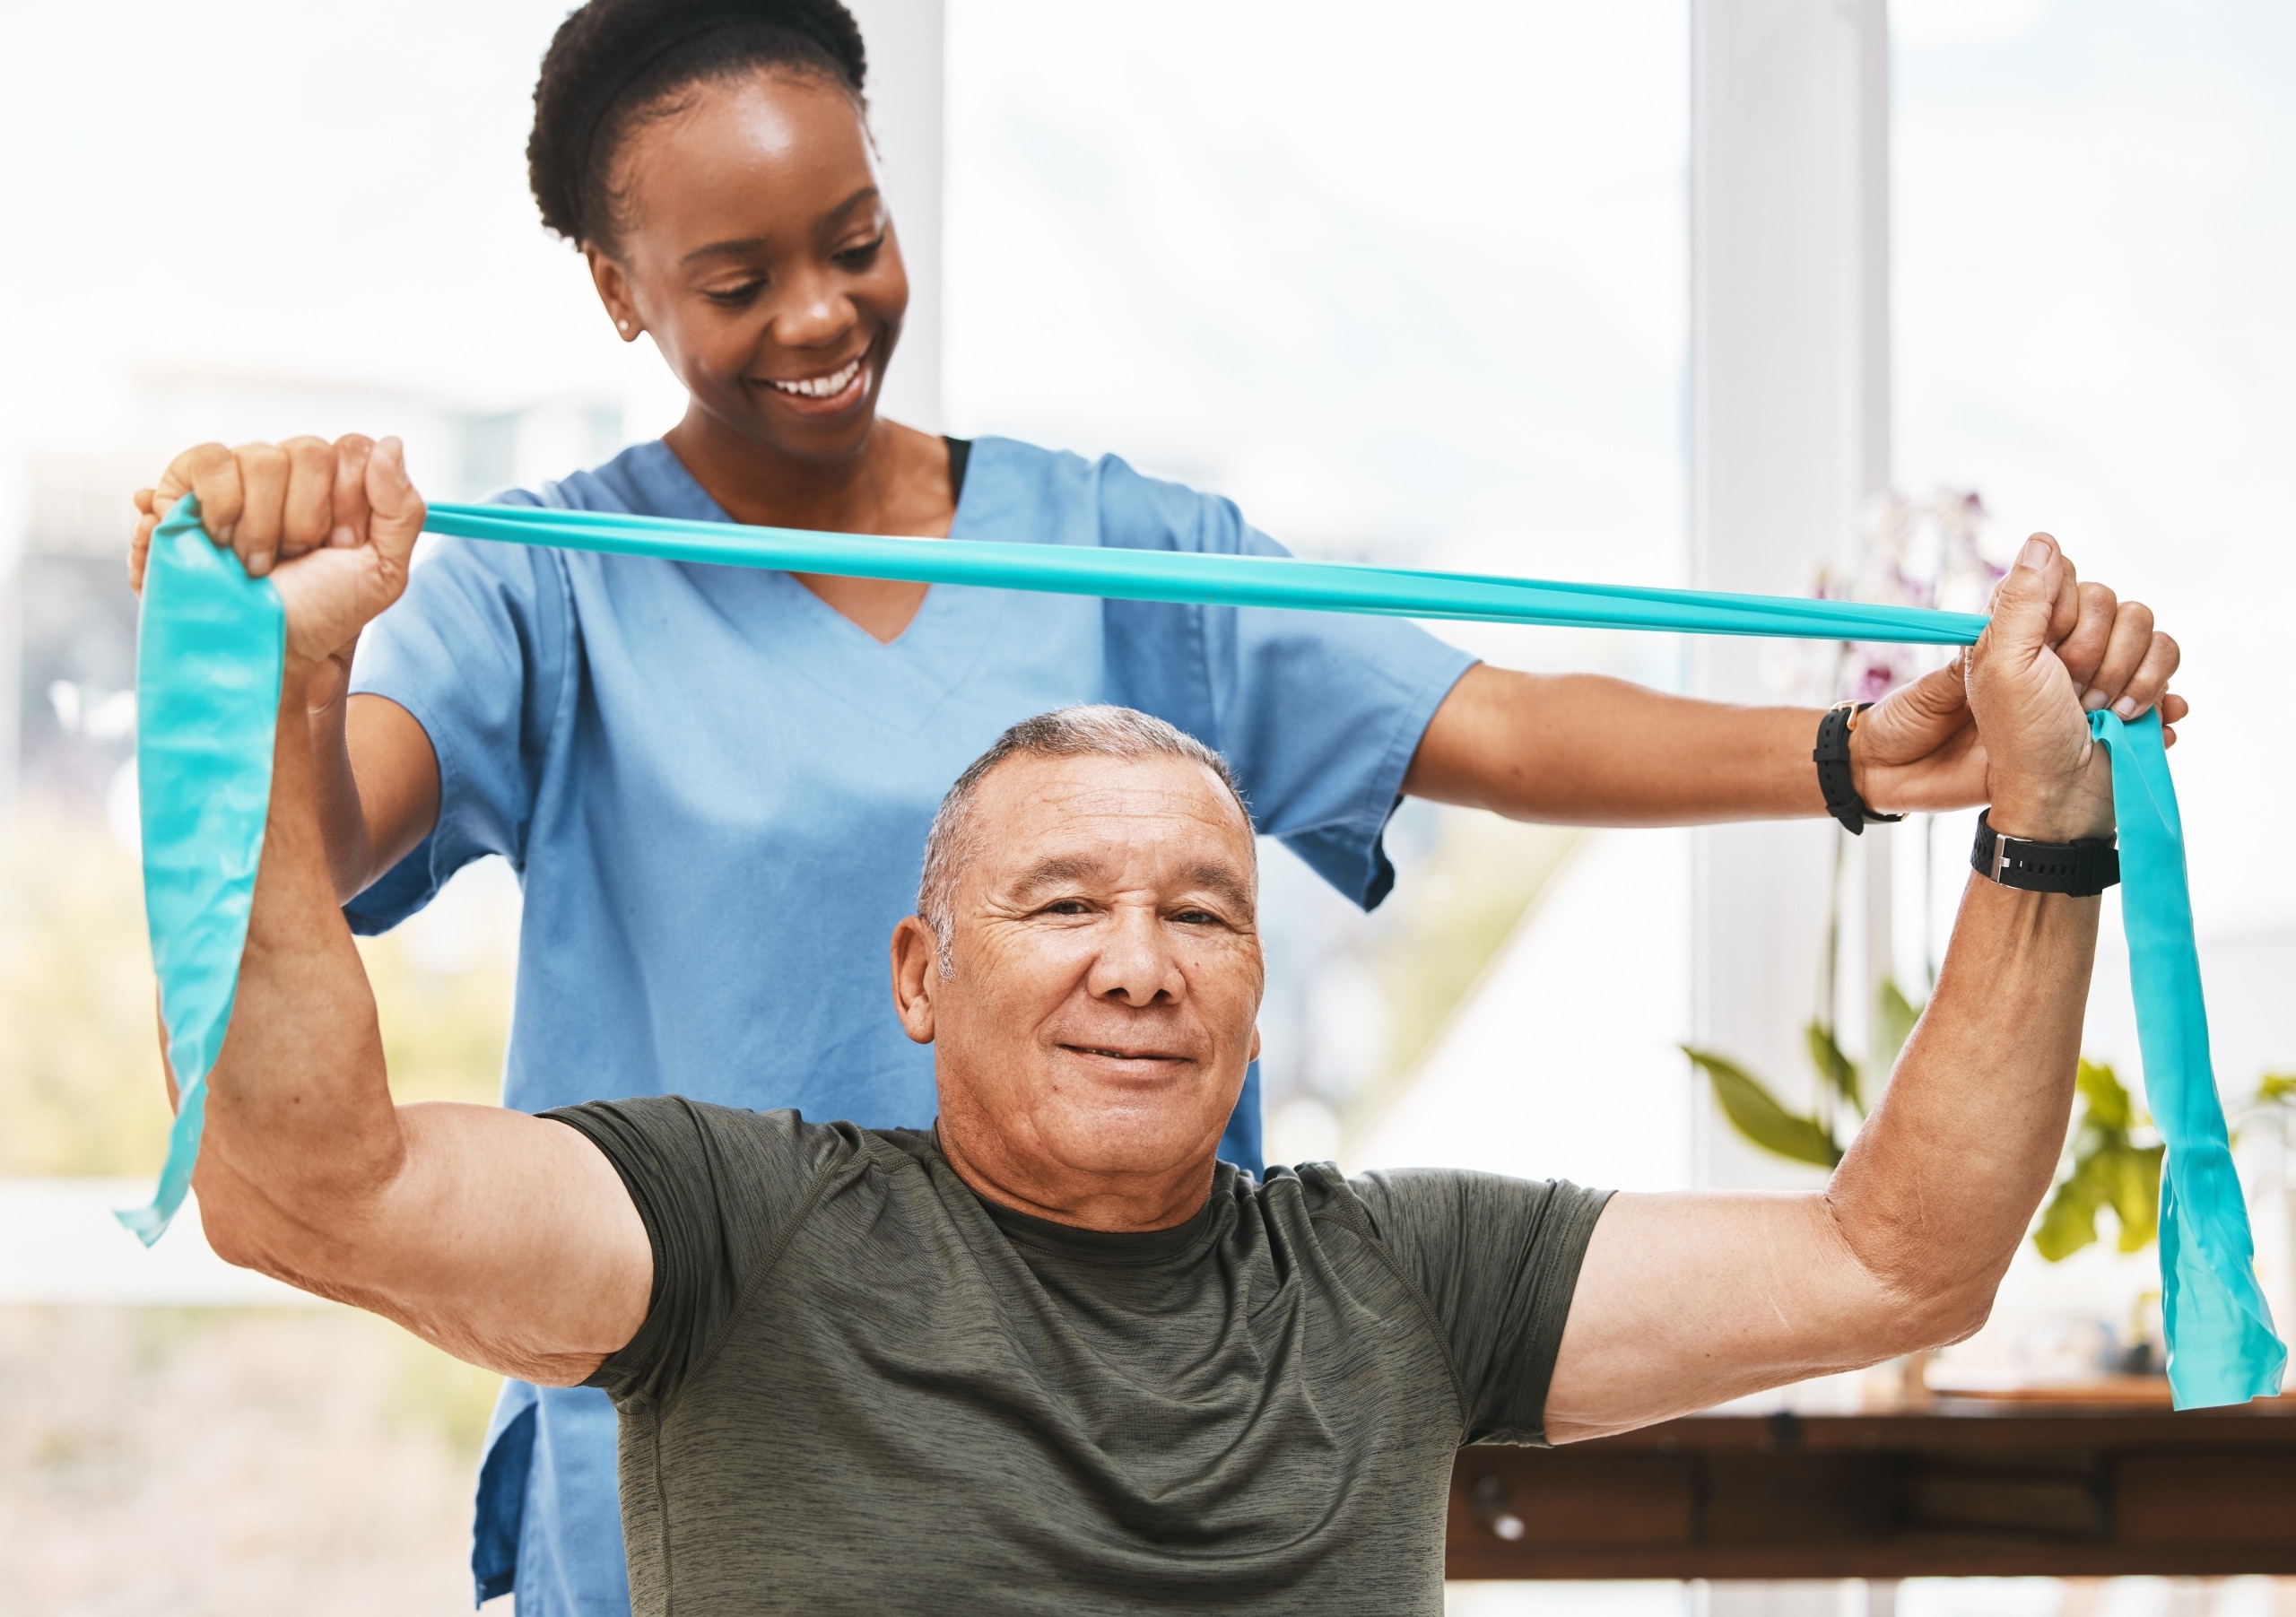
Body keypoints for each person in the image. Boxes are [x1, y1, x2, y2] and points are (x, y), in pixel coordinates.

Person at [126, 3, 2185, 1607]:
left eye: (853, 241)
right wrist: (276, 663)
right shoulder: (542, 585)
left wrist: (1857, 760)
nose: (822, 314)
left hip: (1174, 1387)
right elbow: (306, 891)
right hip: (723, 1374)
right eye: (738, 277)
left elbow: (1499, 721)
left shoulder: (1126, 556)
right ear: (614, 287)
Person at [184, 517, 2128, 1614]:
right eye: (1060, 907)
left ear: (1259, 993)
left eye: (1200, 913)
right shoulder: (738, 1231)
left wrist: (2039, 816)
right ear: (919, 975)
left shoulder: (1396, 1277)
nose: (1138, 964)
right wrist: (279, 696)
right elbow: (304, 1186)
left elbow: (1899, 1262)